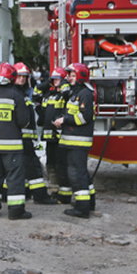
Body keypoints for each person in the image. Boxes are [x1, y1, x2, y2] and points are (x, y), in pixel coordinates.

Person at [0, 62, 32, 220]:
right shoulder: (16, 95)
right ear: (12, 78)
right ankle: (16, 211)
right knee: (14, 178)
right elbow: (24, 121)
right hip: (12, 146)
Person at [53, 63, 96, 219]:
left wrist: (65, 120)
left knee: (77, 174)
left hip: (78, 141)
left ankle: (82, 208)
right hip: (73, 140)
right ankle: (89, 202)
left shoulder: (85, 94)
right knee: (81, 172)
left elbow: (84, 117)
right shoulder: (76, 93)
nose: (69, 78)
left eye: (72, 75)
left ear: (80, 76)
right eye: (69, 75)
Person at [13, 62, 55, 205]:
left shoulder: (24, 93)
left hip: (26, 138)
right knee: (34, 167)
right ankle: (40, 195)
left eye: (24, 77)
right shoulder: (15, 94)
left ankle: (25, 192)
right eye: (19, 76)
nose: (22, 79)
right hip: (20, 138)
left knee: (23, 166)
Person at [40, 67, 70, 187]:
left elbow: (67, 94)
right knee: (50, 163)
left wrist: (63, 84)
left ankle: (63, 188)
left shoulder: (65, 95)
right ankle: (54, 187)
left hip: (60, 136)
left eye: (58, 79)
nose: (55, 81)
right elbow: (37, 96)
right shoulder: (49, 95)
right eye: (54, 79)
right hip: (49, 136)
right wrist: (45, 84)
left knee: (60, 163)